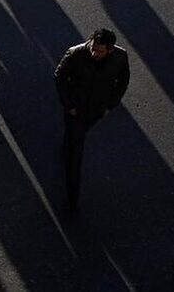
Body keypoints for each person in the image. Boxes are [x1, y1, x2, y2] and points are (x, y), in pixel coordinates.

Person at [54, 28, 130, 212]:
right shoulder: (75, 53)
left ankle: (67, 145)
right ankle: (73, 199)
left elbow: (123, 80)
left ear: (110, 49)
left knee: (74, 138)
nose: (94, 53)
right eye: (93, 48)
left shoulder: (120, 57)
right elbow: (60, 76)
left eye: (100, 51)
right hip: (76, 110)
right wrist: (69, 105)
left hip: (96, 110)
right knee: (75, 156)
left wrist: (110, 105)